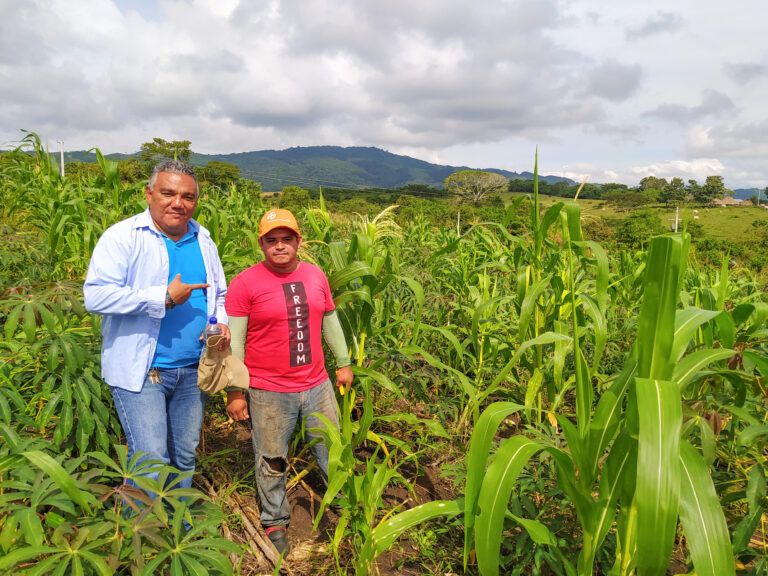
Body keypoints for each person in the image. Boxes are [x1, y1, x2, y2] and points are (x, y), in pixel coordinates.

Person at [84, 159, 229, 492]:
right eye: (168, 193)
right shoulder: (123, 237)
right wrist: (162, 298)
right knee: (150, 461)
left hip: (193, 371)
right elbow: (96, 297)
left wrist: (219, 323)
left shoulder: (203, 239)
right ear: (149, 194)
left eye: (188, 196)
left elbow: (219, 293)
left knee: (184, 457)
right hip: (144, 371)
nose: (178, 203)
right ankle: (144, 537)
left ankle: (179, 528)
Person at [225, 208, 353, 555]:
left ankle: (342, 503)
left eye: (286, 239)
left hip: (317, 385)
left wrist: (343, 362)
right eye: (271, 240)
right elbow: (235, 342)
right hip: (268, 391)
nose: (279, 246)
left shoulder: (315, 276)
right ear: (261, 244)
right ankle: (275, 520)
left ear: (299, 241)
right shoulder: (245, 283)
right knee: (271, 459)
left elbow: (330, 321)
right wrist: (235, 390)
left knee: (331, 449)